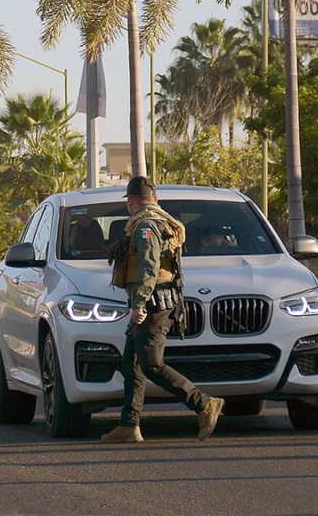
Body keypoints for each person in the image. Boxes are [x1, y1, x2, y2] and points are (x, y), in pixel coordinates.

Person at [102, 177, 224, 443]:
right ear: (155, 199)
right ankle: (129, 424)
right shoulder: (162, 220)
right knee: (130, 363)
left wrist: (139, 304)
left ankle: (204, 404)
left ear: (131, 202)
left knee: (152, 364)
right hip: (159, 301)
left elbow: (148, 266)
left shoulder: (145, 226)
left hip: (153, 304)